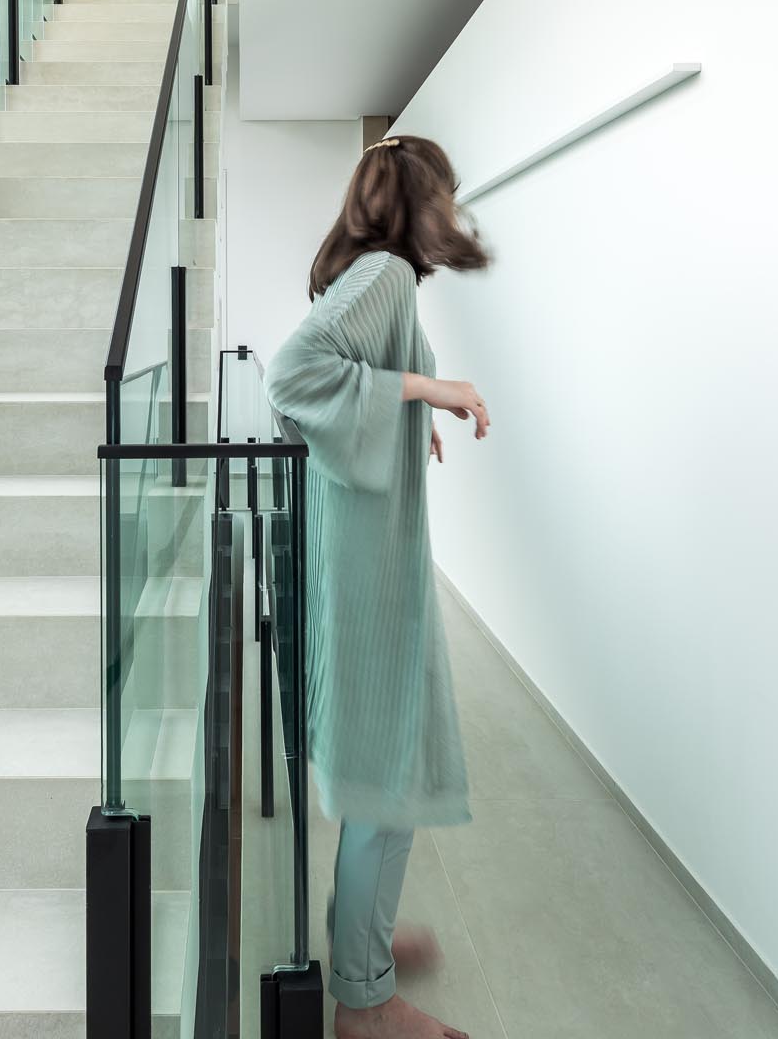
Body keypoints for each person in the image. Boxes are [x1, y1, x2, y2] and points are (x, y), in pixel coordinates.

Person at [265, 135, 492, 1039]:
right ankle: (362, 999)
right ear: (418, 198)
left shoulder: (368, 273)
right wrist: (430, 390)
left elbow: (348, 380)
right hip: (365, 557)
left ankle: (366, 943)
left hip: (361, 540)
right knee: (383, 770)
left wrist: (411, 415)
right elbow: (295, 374)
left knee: (383, 762)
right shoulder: (387, 277)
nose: (451, 214)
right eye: (446, 196)